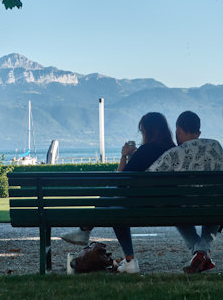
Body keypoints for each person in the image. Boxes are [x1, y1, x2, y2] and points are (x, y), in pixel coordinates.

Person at [60, 112, 176, 274]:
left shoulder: (145, 151)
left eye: (142, 131)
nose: (142, 134)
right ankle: (85, 232)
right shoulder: (174, 150)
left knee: (115, 204)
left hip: (143, 206)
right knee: (116, 202)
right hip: (170, 206)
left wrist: (124, 156)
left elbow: (119, 180)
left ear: (148, 131)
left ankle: (86, 231)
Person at [147, 111, 223, 274]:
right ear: (198, 133)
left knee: (176, 209)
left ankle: (199, 253)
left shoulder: (174, 153)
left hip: (185, 209)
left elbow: (149, 176)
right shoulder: (215, 146)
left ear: (178, 129)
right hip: (216, 207)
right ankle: (202, 252)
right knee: (214, 207)